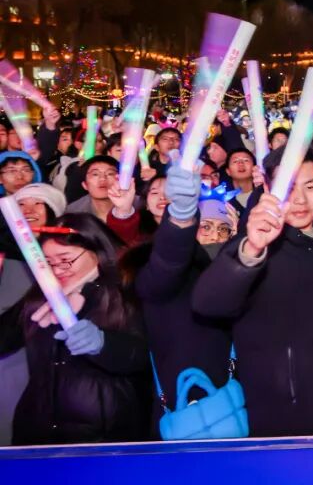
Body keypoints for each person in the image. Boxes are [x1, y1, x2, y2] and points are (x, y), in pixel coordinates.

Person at [192, 146, 313, 436]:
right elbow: (208, 302)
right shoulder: (255, 245)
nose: (300, 199)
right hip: (290, 424)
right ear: (267, 188)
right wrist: (251, 249)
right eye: (288, 188)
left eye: (310, 187)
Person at [0, 214, 148, 444]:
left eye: (65, 259)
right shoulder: (39, 296)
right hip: (38, 434)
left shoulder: (124, 292)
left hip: (105, 437)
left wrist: (103, 343)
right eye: (48, 262)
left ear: (95, 251)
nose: (58, 269)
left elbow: (143, 356)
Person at [135, 162, 232, 422]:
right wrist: (181, 217)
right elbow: (169, 260)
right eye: (206, 226)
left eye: (223, 228)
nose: (214, 235)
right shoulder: (169, 270)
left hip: (234, 398)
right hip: (184, 399)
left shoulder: (240, 270)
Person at [66, 156, 119, 222]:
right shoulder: (73, 213)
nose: (102, 178)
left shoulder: (131, 206)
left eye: (110, 174)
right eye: (95, 174)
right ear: (85, 185)